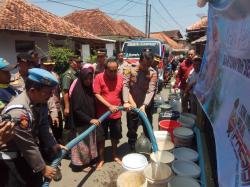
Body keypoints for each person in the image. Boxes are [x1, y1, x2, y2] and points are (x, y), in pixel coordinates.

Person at [0, 68, 66, 187]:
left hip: (28, 156)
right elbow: (27, 145)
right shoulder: (18, 112)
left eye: (52, 91)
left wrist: (52, 144)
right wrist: (42, 168)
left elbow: (43, 125)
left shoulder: (40, 100)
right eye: (48, 92)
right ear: (32, 90)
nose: (51, 95)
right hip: (13, 161)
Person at [123, 49, 157, 151]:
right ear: (140, 60)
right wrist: (127, 101)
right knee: (132, 127)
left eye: (149, 64)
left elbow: (151, 90)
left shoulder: (152, 72)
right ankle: (132, 144)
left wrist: (144, 105)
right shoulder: (129, 68)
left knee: (148, 127)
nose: (147, 67)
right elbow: (125, 85)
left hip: (145, 106)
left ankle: (148, 145)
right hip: (132, 104)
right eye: (145, 65)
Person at [93, 57, 123, 170]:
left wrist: (125, 103)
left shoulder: (120, 78)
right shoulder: (99, 77)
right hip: (102, 115)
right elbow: (96, 93)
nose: (114, 73)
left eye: (116, 70)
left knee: (115, 136)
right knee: (101, 138)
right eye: (111, 70)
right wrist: (109, 106)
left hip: (116, 114)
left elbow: (124, 92)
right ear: (105, 69)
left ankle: (115, 155)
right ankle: (101, 158)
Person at [70, 65, 99, 172]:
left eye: (91, 78)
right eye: (86, 79)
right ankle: (81, 165)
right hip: (81, 124)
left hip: (90, 122)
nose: (89, 81)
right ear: (81, 78)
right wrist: (89, 119)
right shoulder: (77, 91)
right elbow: (77, 110)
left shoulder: (89, 89)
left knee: (89, 143)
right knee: (82, 145)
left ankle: (88, 161)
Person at [41, 56, 63, 142]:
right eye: (47, 65)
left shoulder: (55, 75)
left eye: (51, 65)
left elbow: (58, 92)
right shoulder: (40, 77)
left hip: (57, 107)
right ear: (42, 65)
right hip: (45, 109)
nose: (50, 67)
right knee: (48, 132)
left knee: (58, 130)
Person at [61, 56, 82, 129]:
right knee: (70, 126)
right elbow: (65, 91)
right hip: (70, 103)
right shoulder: (68, 75)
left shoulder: (77, 72)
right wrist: (67, 107)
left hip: (76, 102)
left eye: (80, 62)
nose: (79, 64)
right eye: (77, 62)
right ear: (71, 63)